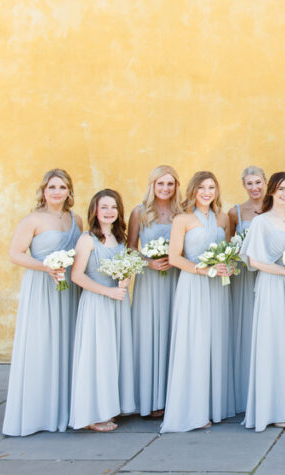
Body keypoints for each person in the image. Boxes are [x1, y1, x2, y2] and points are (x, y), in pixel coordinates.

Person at [2, 169, 83, 436]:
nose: (57, 192)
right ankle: (39, 412)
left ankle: (67, 408)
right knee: (42, 345)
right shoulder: (33, 219)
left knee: (68, 343)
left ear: (69, 191)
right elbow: (15, 254)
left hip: (68, 288)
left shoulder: (76, 219)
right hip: (42, 287)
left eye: (62, 187)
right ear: (44, 191)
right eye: (52, 187)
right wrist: (44, 266)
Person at [161, 171, 235, 432]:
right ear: (193, 191)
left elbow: (229, 252)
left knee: (216, 341)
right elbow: (174, 258)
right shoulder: (182, 219)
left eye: (212, 187)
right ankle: (191, 411)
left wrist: (228, 266)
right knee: (195, 343)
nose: (207, 192)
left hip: (218, 288)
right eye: (202, 187)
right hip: (193, 285)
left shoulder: (224, 218)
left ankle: (216, 405)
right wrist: (204, 270)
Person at [241, 172, 285, 431]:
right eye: (281, 188)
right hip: (272, 287)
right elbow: (255, 261)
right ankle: (273, 408)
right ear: (272, 191)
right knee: (274, 344)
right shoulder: (261, 222)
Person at [69, 189, 136, 432]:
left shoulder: (120, 239)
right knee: (96, 357)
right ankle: (91, 415)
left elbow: (126, 269)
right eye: (104, 207)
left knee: (113, 355)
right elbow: (77, 276)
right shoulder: (87, 239)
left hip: (118, 303)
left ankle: (109, 407)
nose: (109, 212)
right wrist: (108, 292)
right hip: (98, 303)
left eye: (114, 207)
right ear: (95, 211)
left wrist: (125, 281)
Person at [129, 165, 181, 419]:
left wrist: (176, 259)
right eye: (161, 183)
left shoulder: (183, 213)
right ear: (152, 185)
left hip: (175, 279)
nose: (165, 188)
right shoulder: (139, 213)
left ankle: (174, 396)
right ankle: (148, 398)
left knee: (174, 333)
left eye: (170, 184)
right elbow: (130, 249)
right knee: (149, 334)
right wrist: (148, 262)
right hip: (149, 282)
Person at [229, 166, 266, 415]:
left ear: (265, 182)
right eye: (249, 183)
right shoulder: (235, 213)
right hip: (243, 278)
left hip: (267, 275)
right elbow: (227, 245)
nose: (254, 188)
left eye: (258, 182)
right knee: (245, 328)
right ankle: (244, 389)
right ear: (244, 185)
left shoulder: (275, 208)